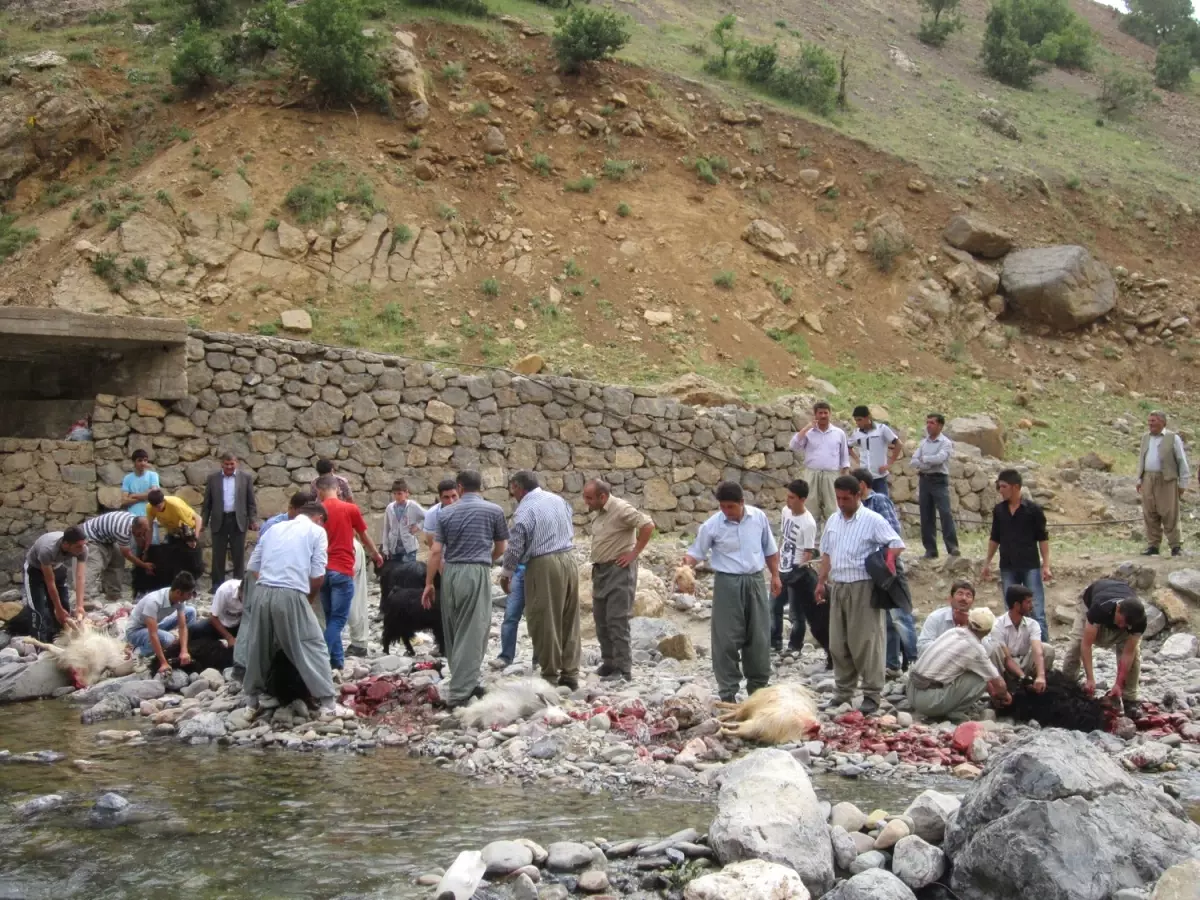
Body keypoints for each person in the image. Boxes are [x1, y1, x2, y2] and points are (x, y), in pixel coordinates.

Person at [684, 481, 781, 703]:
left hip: (755, 581)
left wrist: (775, 576)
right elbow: (696, 552)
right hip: (727, 584)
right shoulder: (712, 526)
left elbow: (770, 549)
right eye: (723, 507)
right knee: (726, 638)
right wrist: (686, 564)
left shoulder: (758, 518)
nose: (727, 512)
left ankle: (757, 690)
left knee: (758, 636)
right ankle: (727, 691)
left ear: (742, 503)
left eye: (731, 507)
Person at [815, 475, 905, 716]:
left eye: (846, 498)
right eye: (839, 498)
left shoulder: (872, 520)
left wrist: (884, 564)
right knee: (838, 642)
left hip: (863, 585)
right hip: (839, 585)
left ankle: (872, 694)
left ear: (857, 495)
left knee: (866, 641)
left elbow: (896, 543)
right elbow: (826, 553)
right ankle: (843, 692)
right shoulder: (833, 520)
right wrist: (821, 582)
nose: (842, 502)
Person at [243, 501, 340, 713]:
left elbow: (252, 567)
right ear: (319, 519)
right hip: (291, 592)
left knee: (260, 646)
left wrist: (270, 581)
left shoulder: (274, 528)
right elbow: (318, 575)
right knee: (312, 644)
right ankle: (328, 704)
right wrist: (307, 599)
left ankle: (251, 701)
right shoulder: (316, 532)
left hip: (261, 592)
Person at [423, 470, 509, 709]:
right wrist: (487, 560)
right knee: (474, 629)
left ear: (460, 487)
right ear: (480, 486)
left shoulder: (446, 513)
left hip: (450, 572)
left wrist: (429, 583)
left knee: (454, 627)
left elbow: (436, 551)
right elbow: (501, 546)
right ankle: (461, 690)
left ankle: (464, 680)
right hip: (476, 570)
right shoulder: (494, 511)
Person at [501, 471, 581, 690]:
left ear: (518, 487)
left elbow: (516, 545)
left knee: (544, 619)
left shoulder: (525, 509)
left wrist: (506, 573)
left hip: (543, 563)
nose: (512, 494)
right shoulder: (559, 500)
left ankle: (550, 674)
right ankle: (570, 672)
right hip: (569, 558)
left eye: (513, 489)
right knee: (568, 617)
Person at [581, 478, 655, 682]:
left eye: (589, 498)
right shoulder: (600, 512)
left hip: (619, 570)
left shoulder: (621, 509)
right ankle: (609, 662)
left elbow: (647, 525)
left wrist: (634, 553)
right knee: (601, 618)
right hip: (601, 569)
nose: (586, 502)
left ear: (602, 496)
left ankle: (624, 669)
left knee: (617, 619)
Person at [234, 490, 312, 676]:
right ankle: (241, 664)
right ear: (291, 508)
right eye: (300, 513)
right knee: (251, 615)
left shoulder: (303, 528)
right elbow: (259, 558)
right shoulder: (274, 525)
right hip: (261, 574)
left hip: (280, 577)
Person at [852, 468, 917, 677]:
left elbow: (893, 533)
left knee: (900, 614)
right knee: (887, 618)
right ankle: (892, 664)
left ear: (862, 485)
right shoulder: (858, 508)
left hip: (888, 565)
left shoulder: (878, 501)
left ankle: (915, 661)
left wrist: (887, 558)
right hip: (874, 569)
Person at [315, 475, 383, 670]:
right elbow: (363, 535)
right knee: (338, 620)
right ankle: (320, 658)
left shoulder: (317, 512)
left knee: (329, 618)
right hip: (342, 569)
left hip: (322, 571)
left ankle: (337, 661)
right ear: (338, 489)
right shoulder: (350, 509)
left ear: (319, 491)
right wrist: (376, 555)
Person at [981, 468, 1051, 641]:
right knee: (1011, 609)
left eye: (1004, 486)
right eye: (999, 486)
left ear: (1015, 487)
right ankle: (1014, 648)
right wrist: (987, 562)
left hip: (1030, 565)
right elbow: (994, 538)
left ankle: (1044, 650)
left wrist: (1046, 565)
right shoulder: (999, 510)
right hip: (1008, 566)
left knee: (1036, 609)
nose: (1000, 490)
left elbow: (1042, 538)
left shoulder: (1033, 510)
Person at [908, 608, 1012, 723]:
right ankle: (953, 711)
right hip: (927, 702)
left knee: (973, 671)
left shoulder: (953, 631)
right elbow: (999, 684)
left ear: (968, 622)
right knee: (982, 678)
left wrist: (993, 691)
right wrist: (1005, 695)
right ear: (988, 631)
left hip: (911, 690)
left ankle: (944, 706)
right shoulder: (975, 648)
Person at [1062, 578, 1146, 720]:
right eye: (1122, 622)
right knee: (1076, 644)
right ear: (1118, 609)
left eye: (1128, 626)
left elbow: (1128, 653)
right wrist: (1090, 679)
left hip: (1121, 603)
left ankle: (1129, 699)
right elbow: (1086, 645)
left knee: (1135, 654)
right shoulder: (1100, 608)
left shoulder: (1138, 620)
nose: (1123, 627)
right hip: (1090, 600)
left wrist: (1119, 684)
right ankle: (1066, 687)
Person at [772, 479, 823, 663]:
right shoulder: (786, 511)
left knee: (796, 613)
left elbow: (808, 552)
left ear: (802, 499)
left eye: (792, 497)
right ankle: (774, 642)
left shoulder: (808, 523)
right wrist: (775, 565)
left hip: (796, 569)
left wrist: (799, 574)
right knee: (774, 606)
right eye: (787, 496)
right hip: (781, 566)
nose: (788, 500)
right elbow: (782, 537)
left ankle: (795, 647)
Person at [789, 400, 850, 528]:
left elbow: (844, 457)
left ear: (830, 414)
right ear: (815, 415)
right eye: (820, 413)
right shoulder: (809, 433)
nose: (823, 416)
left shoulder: (839, 433)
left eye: (825, 413)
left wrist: (844, 477)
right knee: (811, 508)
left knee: (832, 508)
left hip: (831, 475)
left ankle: (832, 540)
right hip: (812, 474)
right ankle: (813, 543)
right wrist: (806, 428)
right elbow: (793, 445)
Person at [1136, 411, 1190, 557]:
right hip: (1148, 478)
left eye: (1153, 421)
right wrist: (1139, 479)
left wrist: (1183, 483)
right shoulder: (1145, 438)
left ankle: (1175, 546)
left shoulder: (1173, 438)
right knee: (1149, 512)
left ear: (1162, 422)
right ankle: (1153, 545)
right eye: (1149, 421)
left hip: (1166, 480)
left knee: (1169, 512)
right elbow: (1142, 458)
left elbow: (1181, 461)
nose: (1150, 423)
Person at [202, 452, 258, 587]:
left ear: (236, 463)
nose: (229, 467)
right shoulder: (213, 478)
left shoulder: (245, 478)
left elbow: (251, 501)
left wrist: (253, 519)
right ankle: (217, 585)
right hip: (219, 519)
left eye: (231, 464)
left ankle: (238, 585)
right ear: (221, 464)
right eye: (226, 464)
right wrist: (203, 522)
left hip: (238, 520)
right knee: (218, 554)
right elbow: (207, 503)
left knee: (238, 554)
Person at [23, 527, 88, 642]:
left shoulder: (83, 549)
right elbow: (50, 581)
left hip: (57, 567)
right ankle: (39, 646)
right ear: (66, 544)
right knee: (38, 610)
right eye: (78, 546)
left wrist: (80, 605)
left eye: (83, 545)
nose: (82, 549)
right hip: (35, 570)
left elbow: (80, 577)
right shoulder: (47, 550)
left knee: (64, 606)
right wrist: (57, 609)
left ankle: (61, 640)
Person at [910, 412, 958, 559]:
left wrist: (924, 460)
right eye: (928, 422)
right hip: (924, 480)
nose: (928, 425)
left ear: (940, 425)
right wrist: (927, 462)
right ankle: (930, 549)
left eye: (932, 423)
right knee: (926, 515)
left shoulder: (945, 443)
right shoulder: (924, 443)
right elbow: (913, 461)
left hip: (939, 480)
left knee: (945, 513)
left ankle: (952, 547)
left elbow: (940, 459)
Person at [125, 571, 197, 669]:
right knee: (169, 639)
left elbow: (182, 626)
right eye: (189, 594)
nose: (190, 597)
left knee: (191, 611)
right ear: (178, 592)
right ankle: (137, 651)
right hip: (135, 631)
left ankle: (187, 645)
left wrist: (184, 650)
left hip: (155, 623)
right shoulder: (154, 601)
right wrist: (163, 663)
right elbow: (153, 634)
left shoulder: (178, 598)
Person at [987, 585, 1051, 691]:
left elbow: (1037, 650)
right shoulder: (998, 625)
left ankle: (1036, 685)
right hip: (1006, 668)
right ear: (1017, 605)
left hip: (1024, 662)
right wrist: (1023, 677)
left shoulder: (1032, 624)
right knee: (994, 650)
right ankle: (1001, 689)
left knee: (1048, 649)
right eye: (1028, 602)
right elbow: (1007, 659)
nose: (1032, 606)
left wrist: (1041, 675)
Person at [80, 511, 152, 603]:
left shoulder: (135, 521)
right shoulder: (122, 530)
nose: (143, 534)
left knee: (117, 561)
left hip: (108, 538)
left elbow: (139, 537)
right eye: (142, 531)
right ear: (133, 527)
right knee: (94, 564)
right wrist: (144, 565)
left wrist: (145, 550)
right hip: (91, 537)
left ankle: (113, 595)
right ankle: (83, 598)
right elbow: (127, 554)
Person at [848, 406, 901, 498]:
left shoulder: (882, 429)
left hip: (879, 476)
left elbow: (898, 444)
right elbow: (848, 446)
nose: (857, 423)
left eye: (860, 420)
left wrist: (890, 463)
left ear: (868, 417)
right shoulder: (857, 433)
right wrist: (857, 459)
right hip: (863, 478)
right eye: (856, 420)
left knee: (882, 505)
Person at [918, 581, 976, 656]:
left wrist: (967, 626)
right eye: (960, 593)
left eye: (968, 595)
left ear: (972, 602)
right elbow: (922, 647)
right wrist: (950, 649)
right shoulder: (936, 617)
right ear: (950, 599)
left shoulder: (977, 621)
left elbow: (986, 651)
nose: (964, 598)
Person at [382, 479, 425, 564]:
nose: (397, 496)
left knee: (408, 573)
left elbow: (427, 516)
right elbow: (386, 529)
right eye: (394, 494)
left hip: (409, 548)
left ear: (406, 493)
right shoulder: (390, 508)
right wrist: (385, 547)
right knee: (395, 573)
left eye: (400, 493)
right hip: (394, 548)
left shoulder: (412, 506)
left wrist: (418, 526)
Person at [190, 578, 243, 647]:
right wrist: (229, 638)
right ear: (239, 589)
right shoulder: (225, 590)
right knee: (194, 630)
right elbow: (213, 617)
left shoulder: (255, 594)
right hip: (221, 624)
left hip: (239, 626)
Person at [121, 449, 160, 518]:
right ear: (134, 462)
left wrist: (133, 495)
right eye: (140, 460)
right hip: (133, 516)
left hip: (150, 515)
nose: (143, 463)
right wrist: (145, 496)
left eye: (145, 460)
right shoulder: (127, 478)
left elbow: (154, 495)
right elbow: (124, 501)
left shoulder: (153, 475)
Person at [422, 479, 460, 548]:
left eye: (454, 496)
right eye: (446, 497)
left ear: (459, 495)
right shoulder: (431, 514)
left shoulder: (469, 510)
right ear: (440, 498)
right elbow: (431, 543)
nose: (451, 501)